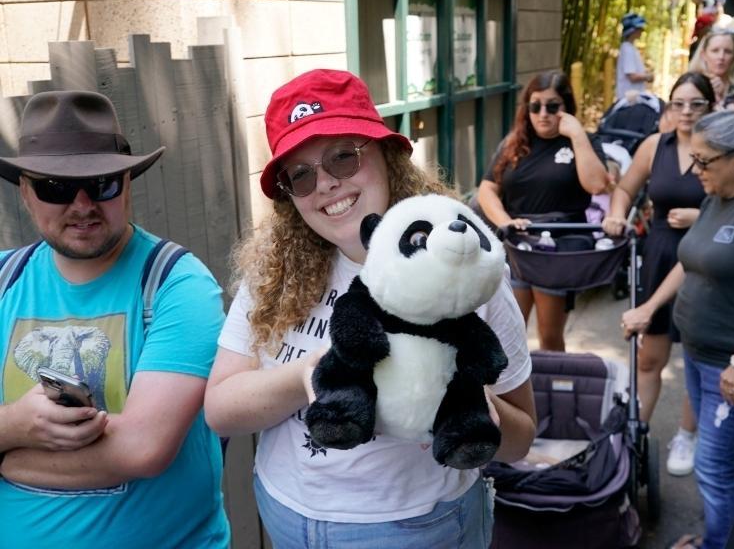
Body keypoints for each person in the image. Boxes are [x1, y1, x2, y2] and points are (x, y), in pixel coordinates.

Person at [204, 69, 536, 549]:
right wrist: (312, 374)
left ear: (387, 155)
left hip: (416, 528)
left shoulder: (465, 269)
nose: (326, 185)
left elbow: (523, 438)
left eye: (343, 157)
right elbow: (220, 410)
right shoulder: (274, 276)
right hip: (286, 513)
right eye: (301, 174)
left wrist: (467, 405)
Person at [0, 91, 229, 548]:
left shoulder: (175, 283)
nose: (83, 204)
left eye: (102, 183)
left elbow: (143, 449)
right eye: (56, 187)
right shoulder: (5, 280)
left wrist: (6, 458)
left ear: (126, 184)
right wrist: (13, 428)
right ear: (25, 193)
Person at [622, 111, 734, 549]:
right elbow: (690, 262)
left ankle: (717, 544)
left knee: (711, 463)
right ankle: (720, 533)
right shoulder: (717, 195)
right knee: (718, 461)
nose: (695, 169)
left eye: (703, 161)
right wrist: (649, 307)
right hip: (701, 355)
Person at [602, 72, 713, 478]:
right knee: (650, 356)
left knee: (697, 358)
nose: (686, 112)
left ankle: (688, 432)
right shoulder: (655, 146)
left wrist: (701, 217)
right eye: (678, 103)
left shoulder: (720, 148)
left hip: (706, 260)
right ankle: (637, 432)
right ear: (669, 106)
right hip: (661, 254)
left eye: (696, 104)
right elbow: (625, 189)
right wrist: (616, 213)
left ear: (710, 106)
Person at [478, 70, 609, 351]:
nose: (543, 114)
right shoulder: (515, 142)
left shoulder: (583, 141)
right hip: (517, 242)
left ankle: (551, 390)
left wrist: (576, 133)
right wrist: (506, 222)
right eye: (535, 106)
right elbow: (487, 188)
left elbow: (598, 184)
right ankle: (510, 393)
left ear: (566, 107)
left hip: (558, 245)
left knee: (549, 336)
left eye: (552, 106)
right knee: (507, 335)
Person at [688, 28, 734, 112]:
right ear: (703, 54)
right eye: (715, 51)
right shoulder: (690, 85)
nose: (721, 57)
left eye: (728, 51)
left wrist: (720, 99)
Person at [614, 13, 653, 102]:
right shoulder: (627, 49)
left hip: (633, 98)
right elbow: (632, 76)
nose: (642, 31)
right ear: (633, 31)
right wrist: (648, 76)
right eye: (639, 29)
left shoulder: (631, 47)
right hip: (628, 99)